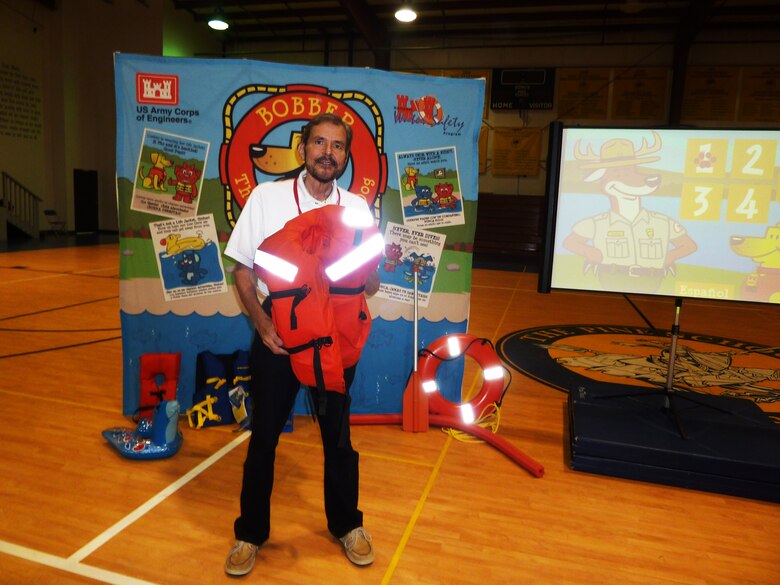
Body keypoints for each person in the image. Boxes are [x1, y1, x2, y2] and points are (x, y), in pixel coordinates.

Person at [222, 113, 379, 577]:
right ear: (302, 150)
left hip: (334, 342)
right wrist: (259, 320)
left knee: (338, 441)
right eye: (318, 143)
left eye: (337, 145)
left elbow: (369, 286)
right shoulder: (267, 199)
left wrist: (371, 266)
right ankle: (249, 533)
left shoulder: (357, 209)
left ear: (346, 156)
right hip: (279, 341)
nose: (327, 152)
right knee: (264, 439)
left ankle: (348, 525)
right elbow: (243, 269)